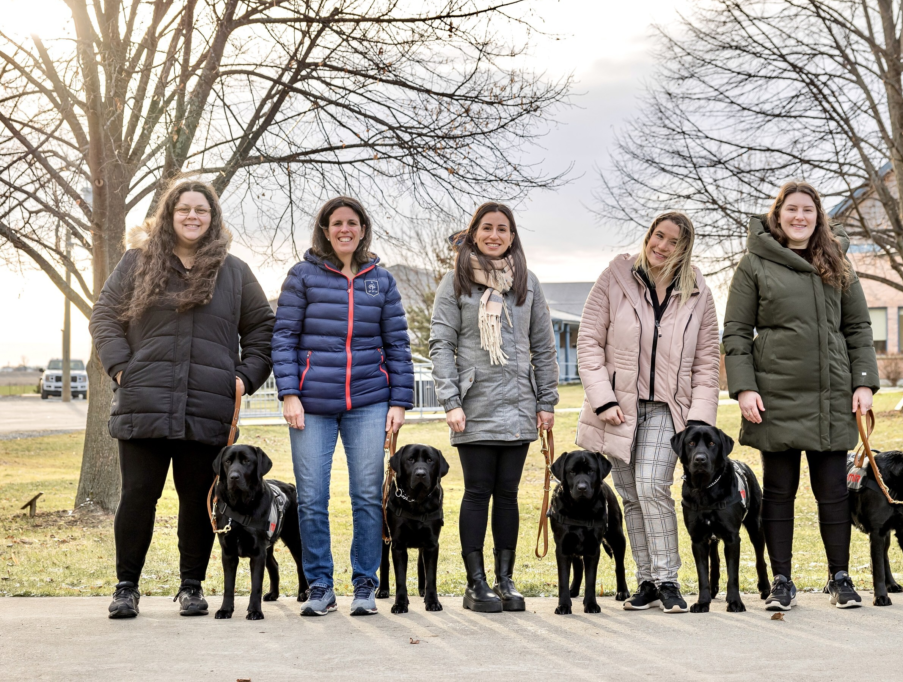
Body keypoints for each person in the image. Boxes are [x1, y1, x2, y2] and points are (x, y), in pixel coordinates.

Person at [90, 181, 275, 619]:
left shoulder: (234, 272)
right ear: (169, 214)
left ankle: (191, 587)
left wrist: (243, 379)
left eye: (202, 211)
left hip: (207, 406)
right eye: (184, 209)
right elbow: (104, 317)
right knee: (138, 495)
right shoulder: (137, 263)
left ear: (213, 219)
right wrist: (121, 369)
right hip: (144, 403)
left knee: (198, 500)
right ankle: (126, 588)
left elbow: (263, 331)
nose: (193, 217)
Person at [723, 181, 879, 611]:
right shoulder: (754, 264)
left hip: (832, 395)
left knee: (832, 492)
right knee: (778, 492)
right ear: (778, 214)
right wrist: (744, 387)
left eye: (807, 210)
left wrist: (863, 381)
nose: (799, 217)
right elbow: (735, 331)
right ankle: (781, 580)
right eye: (791, 209)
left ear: (818, 216)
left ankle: (840, 576)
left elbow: (859, 328)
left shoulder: (839, 262)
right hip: (775, 395)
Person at [272, 196, 413, 617]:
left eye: (353, 222)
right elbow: (283, 338)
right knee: (312, 497)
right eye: (337, 223)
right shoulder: (302, 276)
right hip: (311, 404)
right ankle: (319, 585)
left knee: (367, 495)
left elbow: (398, 344)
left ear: (363, 229)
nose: (345, 229)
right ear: (325, 229)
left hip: (369, 401)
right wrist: (290, 393)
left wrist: (399, 401)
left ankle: (365, 583)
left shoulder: (381, 280)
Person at [576, 212, 720, 614]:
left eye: (673, 241)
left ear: (684, 248)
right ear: (649, 235)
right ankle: (647, 582)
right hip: (617, 405)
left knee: (653, 486)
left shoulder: (699, 291)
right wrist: (602, 398)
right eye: (658, 236)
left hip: (668, 409)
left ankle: (669, 579)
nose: (661, 245)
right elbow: (588, 340)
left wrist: (701, 418)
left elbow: (708, 360)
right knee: (629, 495)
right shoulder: (616, 276)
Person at [429, 202, 559, 613]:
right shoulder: (455, 283)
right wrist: (450, 399)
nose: (495, 235)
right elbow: (441, 345)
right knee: (477, 492)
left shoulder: (528, 283)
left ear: (512, 236)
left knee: (507, 496)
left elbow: (543, 345)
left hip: (520, 405)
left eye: (503, 229)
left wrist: (547, 401)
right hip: (473, 405)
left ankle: (505, 581)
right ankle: (476, 583)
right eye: (487, 228)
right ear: (474, 232)